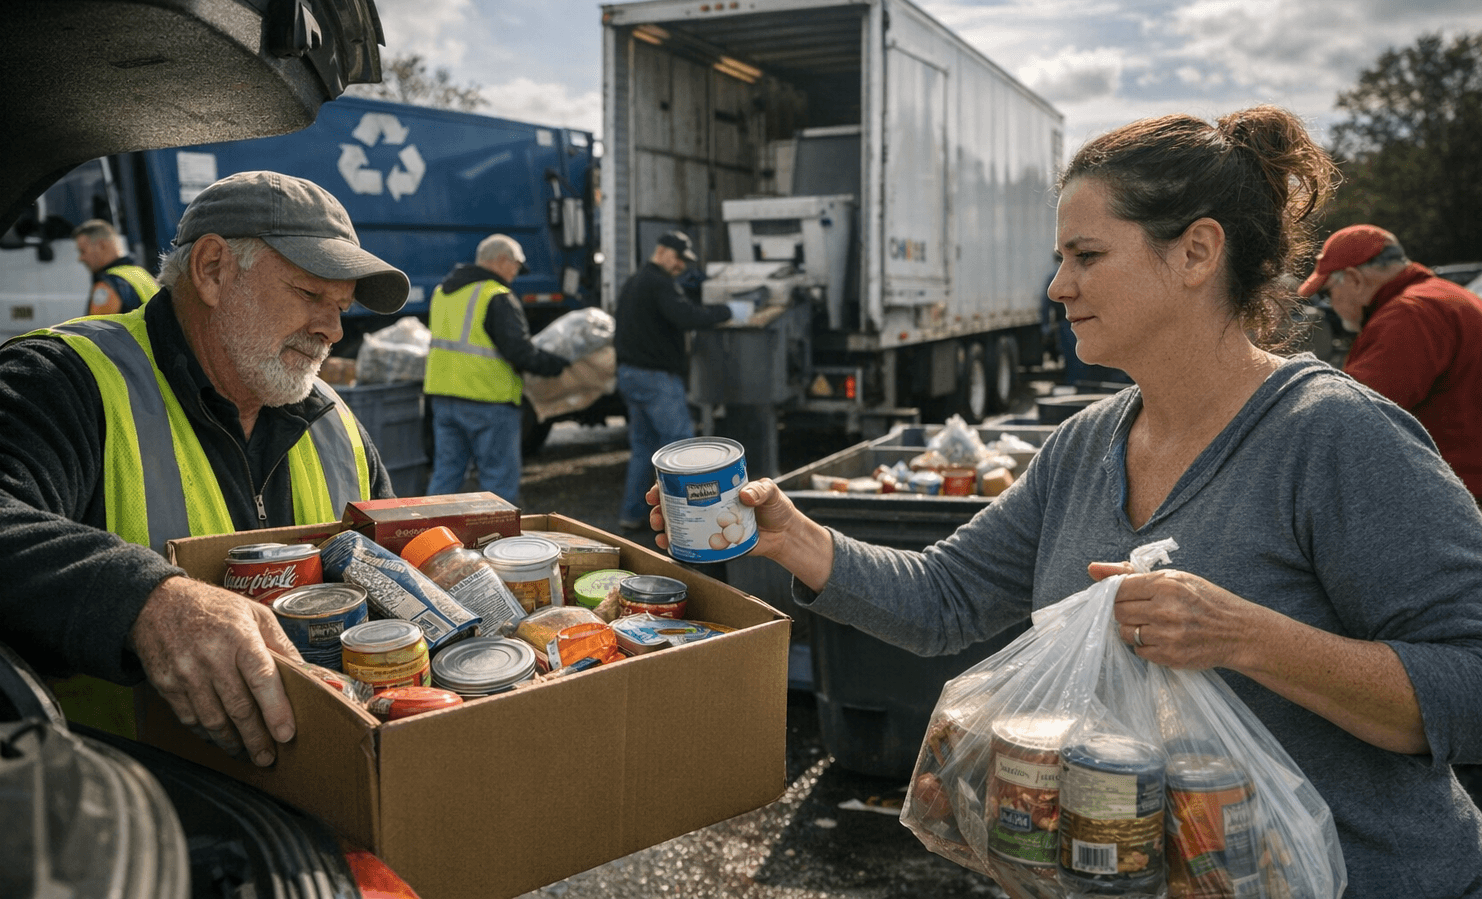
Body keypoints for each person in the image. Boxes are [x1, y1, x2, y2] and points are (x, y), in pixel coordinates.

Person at [649, 108, 1482, 894]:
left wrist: (1246, 636)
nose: (1057, 286)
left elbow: (1471, 684)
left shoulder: (1333, 436)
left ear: (1196, 253)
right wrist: (794, 538)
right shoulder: (1087, 444)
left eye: (1086, 256)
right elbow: (946, 598)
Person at [0, 170, 410, 768]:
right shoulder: (63, 378)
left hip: (311, 798)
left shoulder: (335, 422)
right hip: (117, 814)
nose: (333, 329)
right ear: (213, 269)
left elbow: (394, 579)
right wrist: (149, 603)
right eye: (309, 294)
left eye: (341, 306)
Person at [1297, 223, 1482, 499]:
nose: (1330, 304)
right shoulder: (1446, 295)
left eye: (1327, 293)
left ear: (1353, 279)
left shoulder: (1407, 316)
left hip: (1456, 495)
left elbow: (1351, 418)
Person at [423, 233, 569, 504]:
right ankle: (499, 543)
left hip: (444, 400)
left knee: (446, 475)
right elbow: (519, 351)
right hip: (488, 402)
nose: (516, 273)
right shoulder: (496, 295)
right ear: (502, 260)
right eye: (516, 265)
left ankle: (427, 536)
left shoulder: (442, 292)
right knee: (498, 483)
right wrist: (556, 365)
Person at [613, 230, 732, 530]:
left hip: (630, 375)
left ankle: (632, 515)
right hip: (656, 379)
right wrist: (727, 311)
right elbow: (686, 316)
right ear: (663, 251)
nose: (681, 266)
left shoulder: (634, 282)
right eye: (679, 258)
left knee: (644, 447)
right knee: (679, 446)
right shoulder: (660, 283)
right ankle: (689, 523)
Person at [73, 217, 161, 314]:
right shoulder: (142, 274)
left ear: (102, 246)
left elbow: (96, 328)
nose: (80, 258)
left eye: (83, 251)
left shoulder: (106, 286)